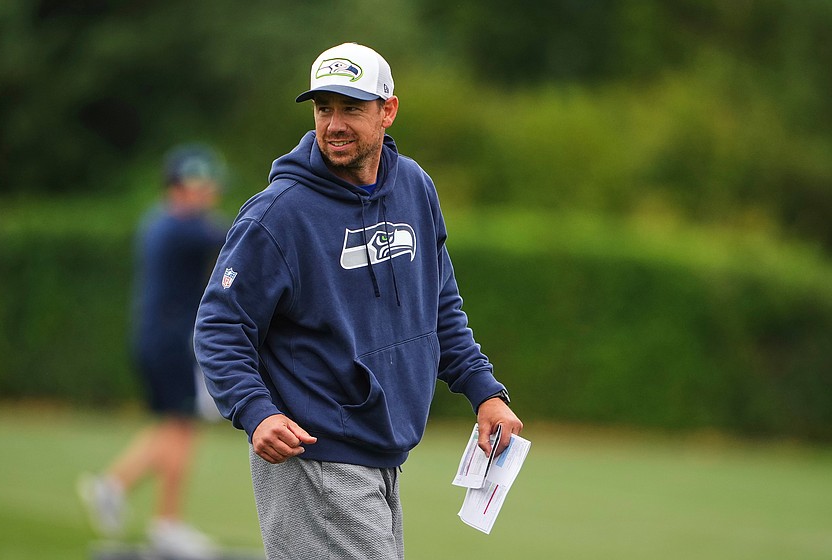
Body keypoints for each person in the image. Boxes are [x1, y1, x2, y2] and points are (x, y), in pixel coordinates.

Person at [193, 42, 523, 560]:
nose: (334, 124)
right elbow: (219, 325)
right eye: (324, 108)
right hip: (315, 457)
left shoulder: (414, 187)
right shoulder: (279, 214)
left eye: (351, 108)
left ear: (388, 111)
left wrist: (485, 392)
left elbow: (439, 304)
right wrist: (256, 411)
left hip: (382, 455)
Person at [78, 144, 228, 559]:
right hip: (170, 343)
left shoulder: (159, 221)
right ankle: (165, 523)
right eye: (203, 185)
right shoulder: (185, 227)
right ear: (182, 185)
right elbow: (241, 234)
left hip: (155, 339)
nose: (210, 192)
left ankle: (115, 487)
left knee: (174, 424)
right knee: (181, 427)